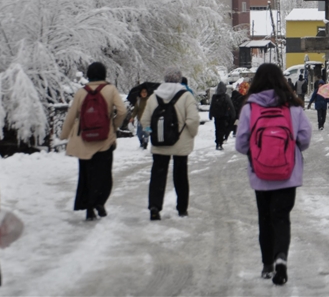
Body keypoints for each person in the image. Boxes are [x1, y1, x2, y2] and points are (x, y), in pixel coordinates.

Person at [234, 63, 312, 286]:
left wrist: (258, 151)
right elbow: (305, 138)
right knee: (281, 218)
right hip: (288, 174)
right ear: (282, 80)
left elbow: (240, 144)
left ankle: (267, 264)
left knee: (265, 219)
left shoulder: (250, 108)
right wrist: (290, 149)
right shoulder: (293, 107)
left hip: (261, 174)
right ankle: (281, 258)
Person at [59, 62, 127, 221]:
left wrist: (64, 135)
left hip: (84, 140)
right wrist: (113, 126)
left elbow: (71, 116)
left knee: (86, 175)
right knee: (104, 175)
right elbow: (122, 111)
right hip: (105, 140)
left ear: (88, 75)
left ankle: (89, 208)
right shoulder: (110, 90)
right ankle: (100, 202)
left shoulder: (81, 93)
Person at [141, 68, 200, 220]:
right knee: (180, 176)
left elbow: (145, 120)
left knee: (158, 176)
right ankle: (182, 208)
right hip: (181, 143)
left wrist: (152, 132)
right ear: (180, 79)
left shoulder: (154, 96)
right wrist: (191, 134)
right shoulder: (186, 96)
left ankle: (154, 206)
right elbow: (193, 119)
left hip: (160, 143)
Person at [209, 81, 235, 150]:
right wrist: (233, 114)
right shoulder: (226, 96)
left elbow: (212, 106)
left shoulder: (214, 97)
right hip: (224, 116)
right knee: (222, 129)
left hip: (217, 117)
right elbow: (231, 106)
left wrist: (210, 115)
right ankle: (221, 142)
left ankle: (218, 143)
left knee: (217, 130)